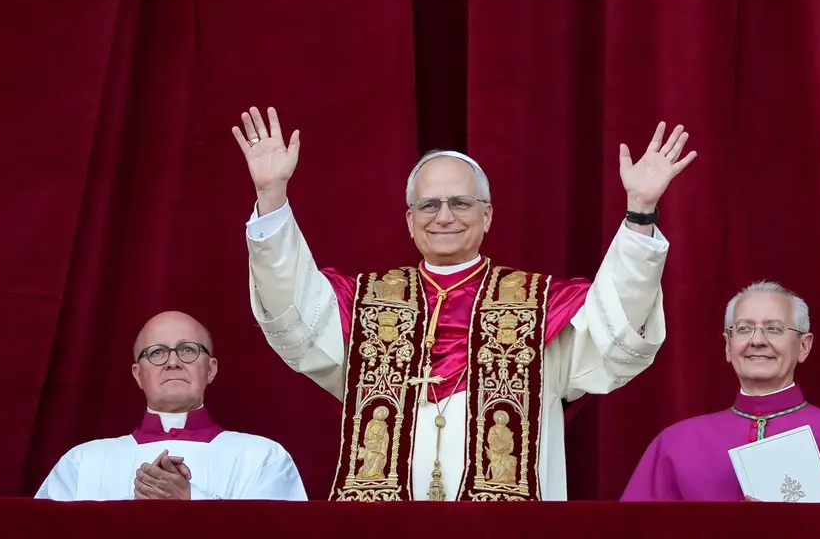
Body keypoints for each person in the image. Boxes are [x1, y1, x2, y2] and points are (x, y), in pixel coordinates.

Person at [235, 106, 697, 501]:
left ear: (487, 214)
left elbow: (616, 325)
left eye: (461, 202)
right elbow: (293, 314)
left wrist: (640, 211)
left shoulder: (541, 308)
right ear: (409, 220)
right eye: (429, 205)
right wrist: (271, 197)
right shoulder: (363, 306)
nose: (444, 216)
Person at [620, 281, 820, 502]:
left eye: (774, 329)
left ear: (803, 346)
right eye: (744, 329)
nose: (757, 341)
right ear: (728, 346)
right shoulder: (675, 444)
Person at [35, 311, 307, 501]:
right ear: (137, 374)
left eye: (188, 349)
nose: (173, 362)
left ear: (210, 369)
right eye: (156, 352)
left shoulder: (264, 458)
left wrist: (191, 502)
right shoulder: (83, 462)